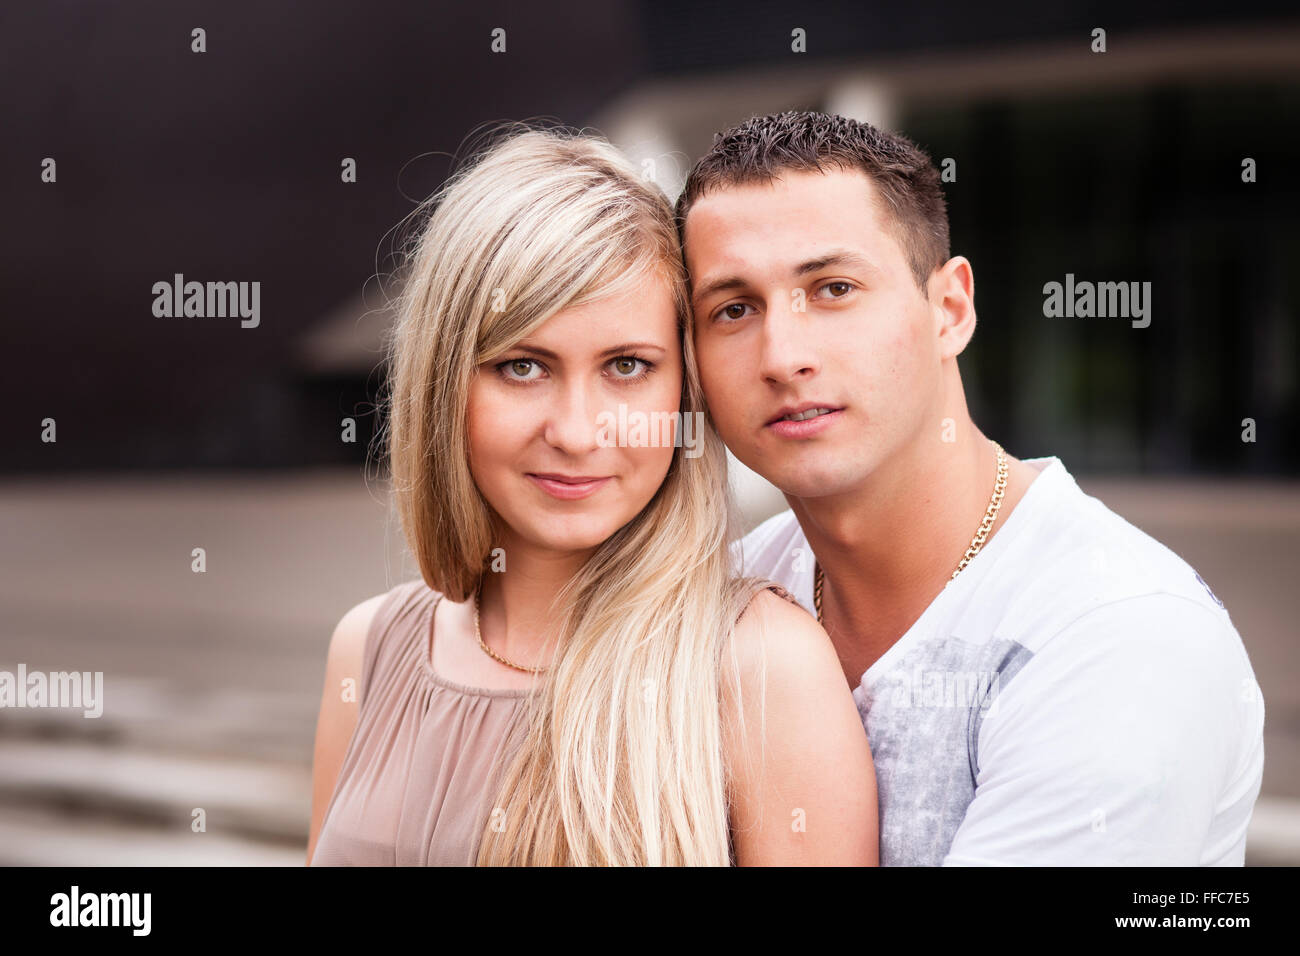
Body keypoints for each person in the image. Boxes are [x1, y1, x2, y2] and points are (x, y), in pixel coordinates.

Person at [676, 110, 1265, 865]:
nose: (783, 355)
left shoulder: (1117, 635)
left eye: (832, 288)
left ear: (949, 310)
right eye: (733, 309)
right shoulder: (725, 597)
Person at [305, 125, 877, 866]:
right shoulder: (368, 649)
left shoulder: (761, 667)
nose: (578, 432)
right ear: (443, 383)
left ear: (686, 390)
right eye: (522, 367)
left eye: (628, 366)